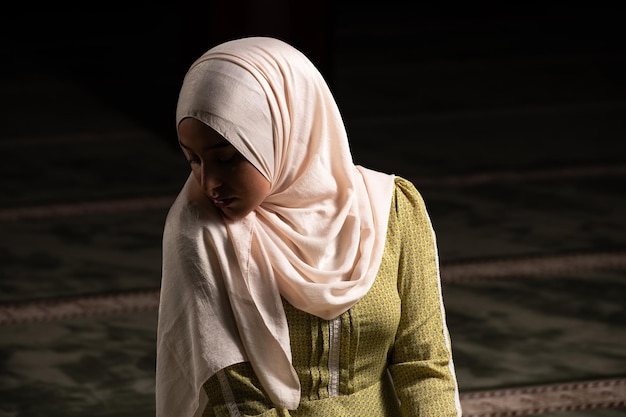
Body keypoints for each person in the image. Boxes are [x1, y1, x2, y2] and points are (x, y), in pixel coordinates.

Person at [156, 36, 462, 417]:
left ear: (284, 134)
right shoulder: (201, 234)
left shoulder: (392, 208)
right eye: (193, 161)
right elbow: (239, 398)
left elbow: (424, 364)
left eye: (228, 158)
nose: (209, 183)